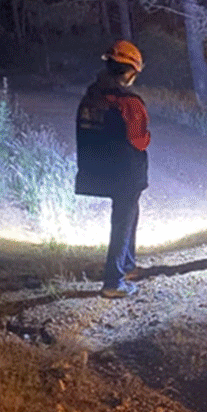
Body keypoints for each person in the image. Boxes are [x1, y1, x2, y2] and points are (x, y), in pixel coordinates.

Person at [75, 40, 150, 298]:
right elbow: (139, 139)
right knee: (122, 222)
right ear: (129, 71)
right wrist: (147, 138)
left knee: (128, 215)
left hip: (99, 169)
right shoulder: (129, 103)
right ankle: (113, 281)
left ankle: (127, 265)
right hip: (126, 173)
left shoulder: (91, 96)